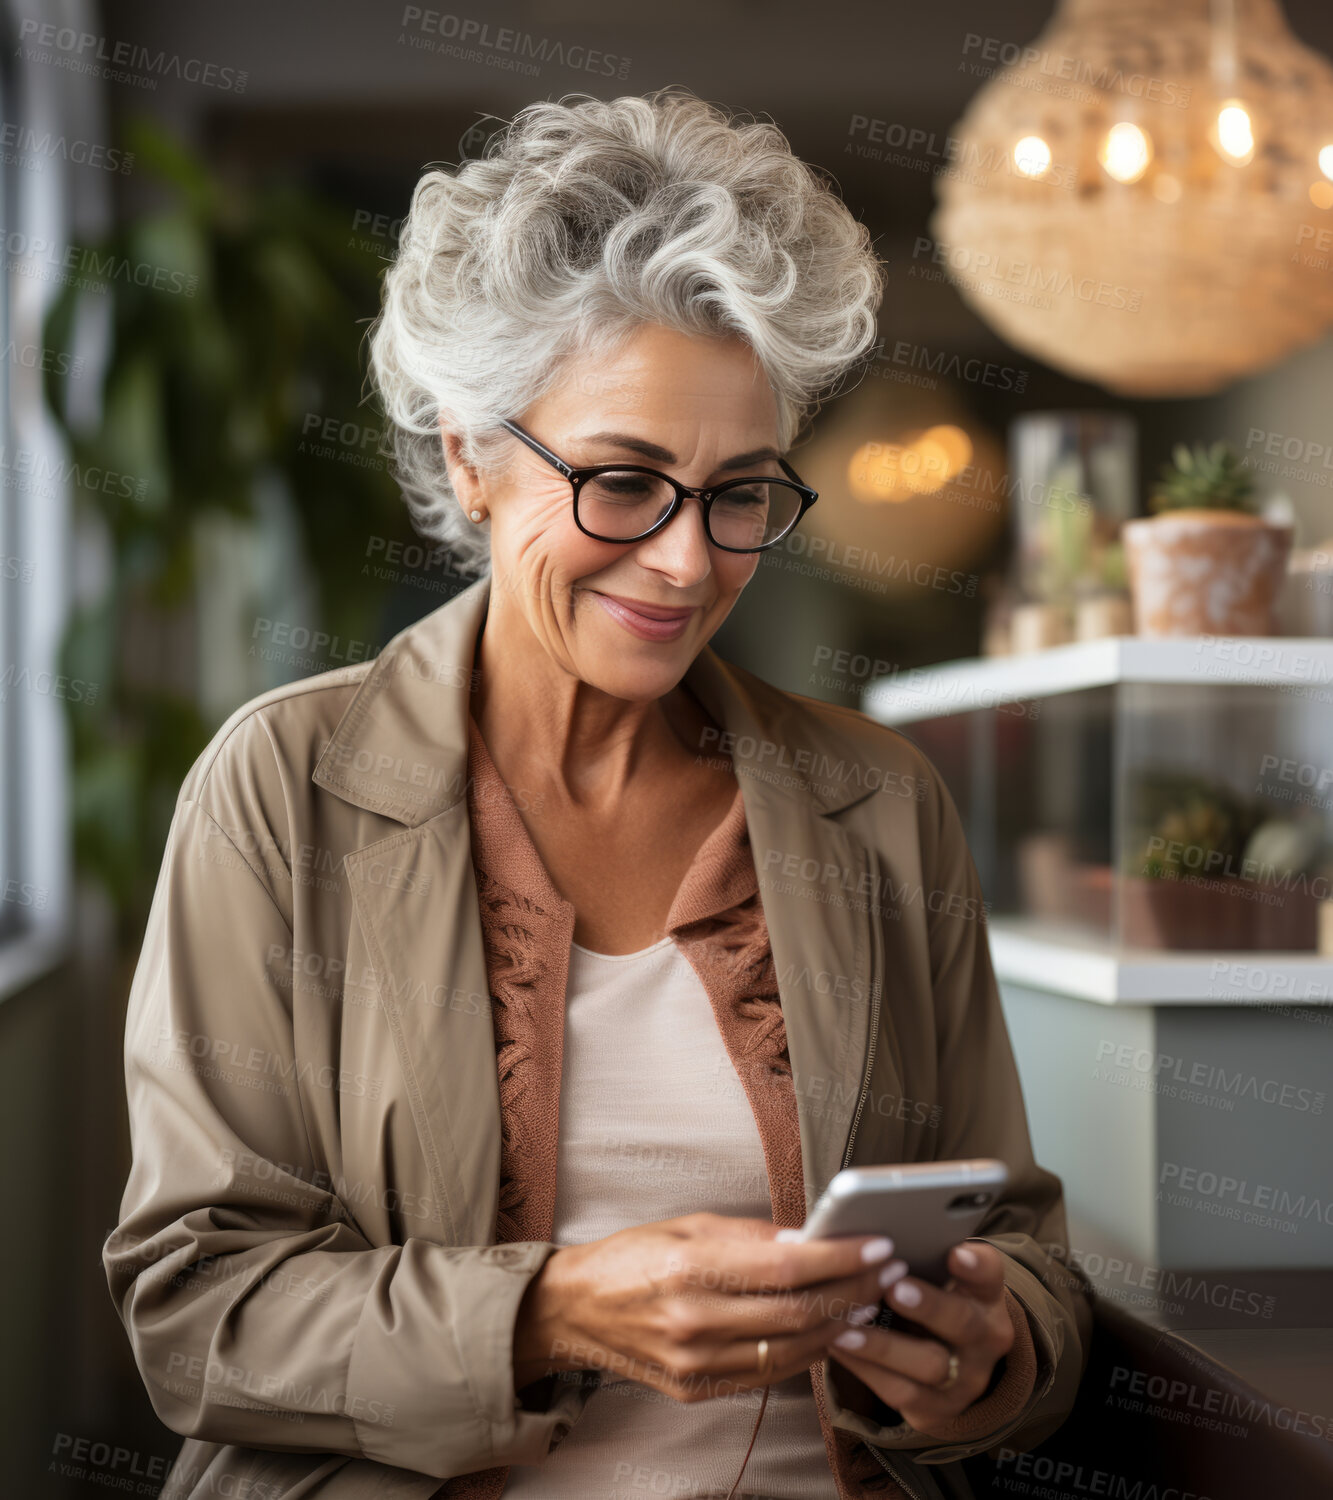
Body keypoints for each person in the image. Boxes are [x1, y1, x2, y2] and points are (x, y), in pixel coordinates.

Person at [105, 88, 1092, 1500]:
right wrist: (552, 1311)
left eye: (739, 491)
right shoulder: (285, 791)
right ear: (470, 455)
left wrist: (990, 1351)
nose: (690, 563)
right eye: (624, 483)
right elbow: (195, 1317)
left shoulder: (877, 804)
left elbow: (1024, 1256)